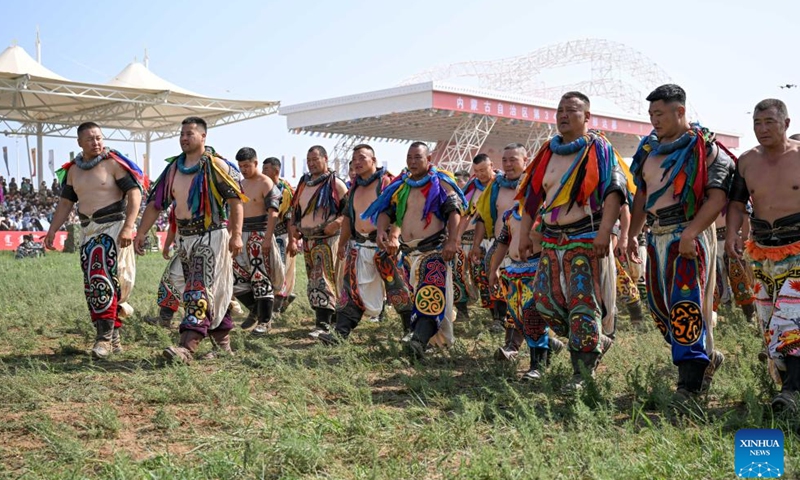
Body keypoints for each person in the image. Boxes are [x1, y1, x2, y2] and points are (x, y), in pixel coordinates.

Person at [627, 84, 734, 406]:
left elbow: (717, 197)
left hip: (688, 235)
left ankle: (689, 384)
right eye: (651, 114)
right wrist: (632, 234)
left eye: (659, 114)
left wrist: (691, 233)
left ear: (680, 111)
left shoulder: (706, 148)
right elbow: (642, 194)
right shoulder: (648, 149)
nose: (654, 120)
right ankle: (706, 358)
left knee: (684, 306)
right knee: (660, 307)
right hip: (656, 236)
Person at [516, 91, 627, 392]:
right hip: (551, 242)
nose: (563, 115)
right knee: (541, 303)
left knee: (582, 305)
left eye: (571, 110)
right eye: (560, 110)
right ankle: (591, 340)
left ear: (587, 116)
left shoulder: (599, 148)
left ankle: (582, 373)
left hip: (586, 239)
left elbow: (615, 192)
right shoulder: (547, 152)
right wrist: (524, 235)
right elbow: (532, 199)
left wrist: (605, 232)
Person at [134, 116, 246, 364]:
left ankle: (187, 347)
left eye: (190, 134)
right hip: (184, 239)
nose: (184, 138)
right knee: (207, 290)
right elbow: (156, 204)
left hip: (211, 235)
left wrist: (237, 235)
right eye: (182, 134)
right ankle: (223, 347)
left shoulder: (217, 166)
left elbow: (236, 201)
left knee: (198, 289)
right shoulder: (174, 168)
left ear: (203, 136)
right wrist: (141, 232)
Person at [45, 122, 145, 359]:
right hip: (87, 231)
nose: (96, 142)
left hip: (113, 227)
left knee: (102, 278)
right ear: (79, 142)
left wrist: (128, 227)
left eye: (99, 137)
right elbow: (66, 203)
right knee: (93, 284)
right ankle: (113, 338)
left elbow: (134, 193)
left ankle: (103, 339)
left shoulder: (113, 163)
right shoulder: (73, 170)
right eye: (90, 139)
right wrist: (52, 230)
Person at [727, 99, 800, 412]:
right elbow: (736, 204)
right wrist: (732, 234)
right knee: (770, 323)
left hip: (798, 249)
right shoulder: (746, 161)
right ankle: (788, 386)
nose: (762, 128)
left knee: (790, 320)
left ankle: (791, 392)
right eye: (757, 123)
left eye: (769, 121)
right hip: (761, 253)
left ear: (786, 123)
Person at [363, 142, 466, 358]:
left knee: (431, 297)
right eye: (409, 157)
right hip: (409, 254)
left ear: (428, 159)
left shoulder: (441, 182)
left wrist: (452, 241)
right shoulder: (402, 185)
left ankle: (418, 342)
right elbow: (386, 211)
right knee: (418, 299)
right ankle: (424, 340)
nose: (412, 161)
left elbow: (454, 210)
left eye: (417, 157)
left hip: (434, 251)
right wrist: (381, 231)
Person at [318, 144, 413, 344]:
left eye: (362, 158)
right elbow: (348, 218)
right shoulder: (354, 187)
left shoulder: (386, 182)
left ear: (374, 160)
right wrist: (342, 243)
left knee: (399, 289)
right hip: (359, 246)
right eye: (354, 159)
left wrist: (394, 236)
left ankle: (411, 331)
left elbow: (400, 211)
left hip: (385, 247)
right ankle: (340, 334)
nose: (357, 162)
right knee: (350, 291)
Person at [489, 202, 564, 380]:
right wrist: (494, 269)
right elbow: (502, 243)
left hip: (537, 269)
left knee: (533, 316)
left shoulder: (547, 213)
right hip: (514, 271)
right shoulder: (511, 215)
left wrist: (546, 268)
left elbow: (553, 243)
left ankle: (537, 366)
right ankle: (549, 345)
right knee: (518, 317)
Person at [472, 143, 527, 355]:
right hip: (500, 244)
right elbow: (482, 217)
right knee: (502, 289)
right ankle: (503, 329)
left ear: (525, 161)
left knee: (522, 298)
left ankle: (535, 343)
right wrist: (476, 245)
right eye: (505, 160)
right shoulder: (495, 186)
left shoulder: (534, 184)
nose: (508, 164)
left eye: (513, 159)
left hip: (527, 252)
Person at [288, 146, 348, 337]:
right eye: (309, 160)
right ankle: (331, 320)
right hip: (308, 240)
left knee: (322, 279)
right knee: (315, 280)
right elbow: (295, 210)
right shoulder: (303, 184)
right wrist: (294, 228)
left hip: (328, 240)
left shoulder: (336, 184)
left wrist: (336, 223)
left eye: (315, 159)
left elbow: (348, 212)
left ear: (325, 159)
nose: (311, 163)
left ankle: (322, 325)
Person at [233, 147, 283, 336]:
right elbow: (234, 212)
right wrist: (233, 235)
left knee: (260, 277)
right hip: (241, 235)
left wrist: (267, 238)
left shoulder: (265, 182)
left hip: (260, 234)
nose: (243, 169)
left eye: (247, 165)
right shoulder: (240, 183)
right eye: (240, 166)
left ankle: (265, 321)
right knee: (235, 276)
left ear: (255, 163)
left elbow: (273, 212)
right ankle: (255, 309)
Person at [455, 154, 496, 322]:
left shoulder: (501, 184)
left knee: (489, 277)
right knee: (460, 274)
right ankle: (462, 312)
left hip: (494, 239)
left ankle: (498, 317)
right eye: (476, 171)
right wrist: (457, 236)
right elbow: (465, 214)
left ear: (491, 165)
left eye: (483, 170)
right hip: (469, 239)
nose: (480, 174)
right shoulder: (472, 187)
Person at [262, 156, 297, 314]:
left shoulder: (285, 190)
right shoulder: (262, 186)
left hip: (281, 236)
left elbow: (289, 217)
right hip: (265, 234)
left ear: (276, 171)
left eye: (266, 169)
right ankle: (278, 302)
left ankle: (277, 305)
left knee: (280, 269)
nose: (262, 172)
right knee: (267, 269)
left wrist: (292, 240)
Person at [713, 213, 756, 322]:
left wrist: (745, 237)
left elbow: (744, 212)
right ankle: (728, 316)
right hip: (712, 240)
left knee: (741, 281)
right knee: (718, 282)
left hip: (732, 238)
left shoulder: (733, 200)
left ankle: (750, 315)